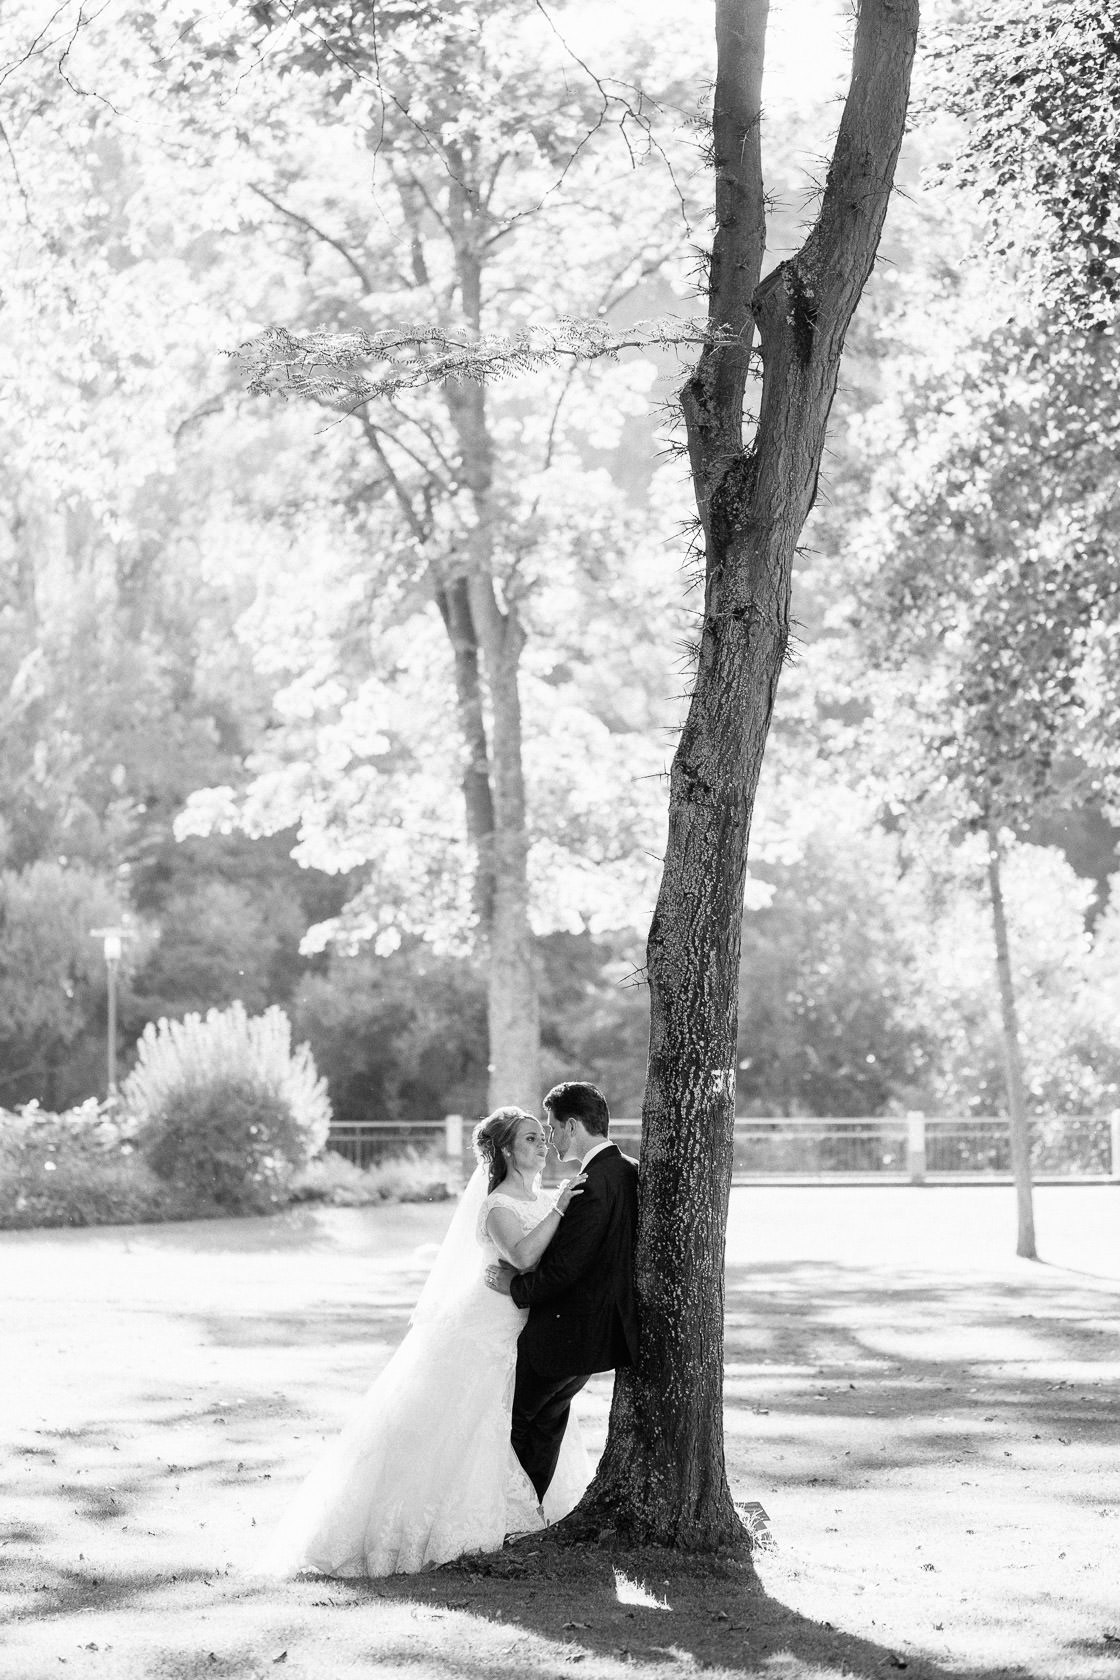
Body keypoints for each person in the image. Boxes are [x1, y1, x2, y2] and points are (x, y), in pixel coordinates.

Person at [261, 1107, 589, 1578]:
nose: (543, 1146)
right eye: (531, 1139)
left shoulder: (541, 1198)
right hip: (488, 1321)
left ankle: (528, 1511)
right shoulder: (498, 1205)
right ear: (505, 1151)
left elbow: (548, 1263)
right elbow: (521, 1253)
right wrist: (559, 1210)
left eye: (542, 1138)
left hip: (526, 1322)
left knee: (526, 1416)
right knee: (468, 1419)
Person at [485, 1081, 639, 1505]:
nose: (549, 1139)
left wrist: (516, 1288)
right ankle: (526, 1513)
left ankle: (506, 1514)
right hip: (593, 1335)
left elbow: (567, 1266)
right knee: (544, 1426)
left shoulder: (592, 1183)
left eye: (551, 1128)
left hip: (563, 1331)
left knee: (513, 1423)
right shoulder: (627, 1169)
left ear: (572, 1126)